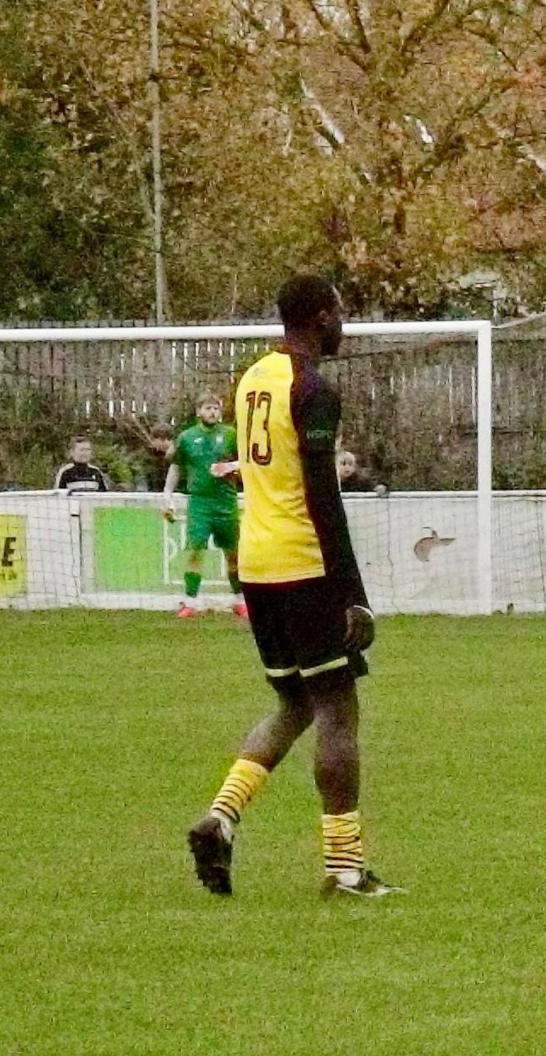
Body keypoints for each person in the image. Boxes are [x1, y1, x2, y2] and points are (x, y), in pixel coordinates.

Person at [186, 274, 399, 899]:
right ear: (320, 317)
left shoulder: (252, 378)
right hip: (304, 564)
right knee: (337, 706)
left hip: (256, 562)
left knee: (294, 703)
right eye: (340, 311)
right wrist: (353, 592)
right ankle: (345, 868)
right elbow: (321, 493)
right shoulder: (313, 389)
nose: (346, 322)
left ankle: (219, 818)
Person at [161, 394, 245, 618]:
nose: (213, 412)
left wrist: (230, 467)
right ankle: (190, 601)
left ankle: (240, 600)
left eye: (216, 408)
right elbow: (176, 467)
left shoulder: (231, 434)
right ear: (198, 412)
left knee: (233, 552)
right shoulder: (187, 438)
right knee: (195, 549)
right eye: (208, 408)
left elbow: (249, 460)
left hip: (226, 502)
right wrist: (167, 496)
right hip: (199, 503)